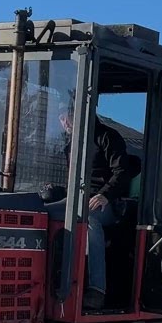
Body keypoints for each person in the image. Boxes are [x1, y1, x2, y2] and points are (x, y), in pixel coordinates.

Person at [50, 109, 141, 311]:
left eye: (66, 117)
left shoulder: (107, 137)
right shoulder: (71, 145)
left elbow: (123, 171)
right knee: (44, 211)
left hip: (108, 203)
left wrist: (105, 195)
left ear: (80, 113)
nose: (63, 122)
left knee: (88, 218)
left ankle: (97, 289)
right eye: (61, 118)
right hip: (76, 199)